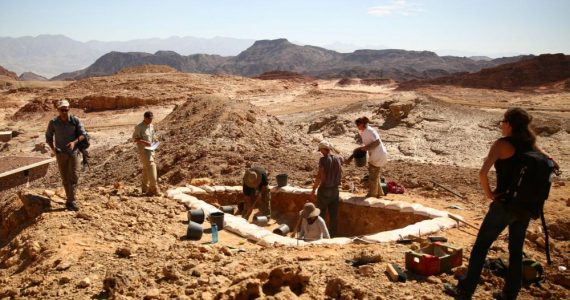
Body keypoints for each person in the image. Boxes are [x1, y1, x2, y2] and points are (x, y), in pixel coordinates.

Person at [443, 108, 560, 300]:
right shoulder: (532, 145)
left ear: (510, 125)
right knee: (516, 250)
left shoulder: (502, 144)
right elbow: (552, 163)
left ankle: (465, 290)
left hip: (504, 205)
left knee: (481, 246)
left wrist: (490, 194)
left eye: (503, 122)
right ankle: (510, 293)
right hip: (526, 207)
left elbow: (483, 173)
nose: (501, 125)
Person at [46, 99, 87, 211]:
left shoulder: (75, 120)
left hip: (73, 153)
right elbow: (48, 138)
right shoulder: (53, 122)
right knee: (65, 178)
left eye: (66, 110)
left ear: (69, 109)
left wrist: (74, 142)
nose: (64, 112)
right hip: (61, 154)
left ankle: (71, 201)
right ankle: (69, 200)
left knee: (73, 176)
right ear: (58, 110)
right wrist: (54, 149)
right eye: (62, 110)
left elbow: (83, 134)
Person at [346, 117, 388, 198]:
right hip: (377, 155)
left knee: (373, 177)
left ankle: (372, 195)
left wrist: (365, 148)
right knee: (375, 175)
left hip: (378, 155)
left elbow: (377, 142)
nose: (357, 126)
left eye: (358, 124)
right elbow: (370, 143)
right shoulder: (366, 131)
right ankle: (380, 192)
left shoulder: (369, 131)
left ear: (362, 124)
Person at [310, 140, 343, 237]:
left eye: (321, 150)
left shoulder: (323, 160)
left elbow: (320, 176)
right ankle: (332, 235)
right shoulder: (339, 158)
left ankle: (320, 235)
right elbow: (346, 160)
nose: (320, 152)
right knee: (333, 214)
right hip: (335, 191)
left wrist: (313, 190)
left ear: (324, 149)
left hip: (325, 190)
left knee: (321, 213)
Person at [132, 111, 161, 196]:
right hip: (144, 150)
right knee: (152, 165)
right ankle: (154, 188)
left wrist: (156, 140)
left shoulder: (151, 126)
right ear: (145, 118)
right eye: (149, 119)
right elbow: (135, 139)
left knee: (146, 167)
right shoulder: (139, 127)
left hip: (151, 149)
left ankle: (144, 188)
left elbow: (153, 135)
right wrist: (145, 142)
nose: (151, 121)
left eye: (152, 119)